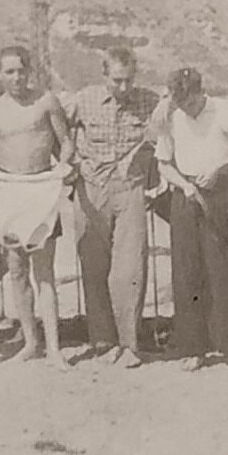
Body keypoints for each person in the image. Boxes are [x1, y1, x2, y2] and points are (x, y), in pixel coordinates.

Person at [0, 46, 75, 369]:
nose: (16, 77)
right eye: (9, 72)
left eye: (21, 70)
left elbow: (65, 141)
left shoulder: (46, 101)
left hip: (40, 189)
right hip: (9, 192)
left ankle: (54, 348)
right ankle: (31, 342)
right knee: (16, 271)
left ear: (29, 71)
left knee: (44, 272)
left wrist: (65, 164)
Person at [68, 47, 161, 368]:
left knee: (130, 268)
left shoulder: (150, 101)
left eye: (129, 80)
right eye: (117, 80)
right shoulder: (83, 100)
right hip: (90, 188)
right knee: (93, 266)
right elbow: (54, 130)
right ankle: (103, 341)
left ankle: (129, 344)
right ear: (104, 75)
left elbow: (170, 133)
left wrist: (151, 171)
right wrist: (72, 162)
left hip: (130, 188)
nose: (124, 87)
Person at [155, 66, 228, 371]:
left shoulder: (224, 110)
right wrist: (185, 185)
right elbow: (164, 164)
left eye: (191, 103)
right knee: (186, 272)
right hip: (186, 193)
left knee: (221, 270)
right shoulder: (173, 116)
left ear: (200, 92)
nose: (187, 110)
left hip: (219, 192)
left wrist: (219, 167)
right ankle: (194, 347)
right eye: (181, 104)